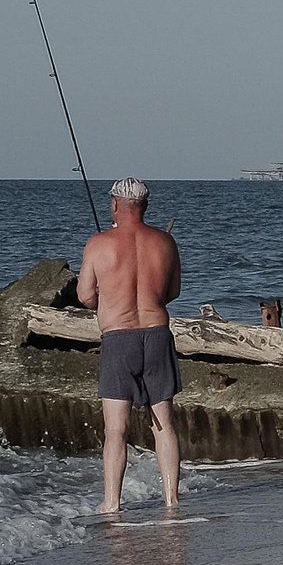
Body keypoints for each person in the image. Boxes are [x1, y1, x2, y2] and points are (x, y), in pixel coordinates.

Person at [76, 177, 184, 516]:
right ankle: (171, 500)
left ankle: (111, 503)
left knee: (116, 429)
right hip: (156, 334)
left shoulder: (98, 244)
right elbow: (173, 291)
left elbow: (84, 296)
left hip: (118, 339)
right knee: (163, 424)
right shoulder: (166, 243)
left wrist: (109, 298)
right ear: (145, 207)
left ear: (114, 205)